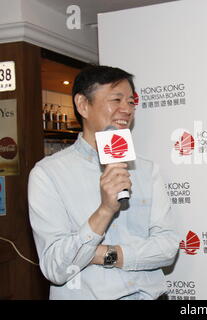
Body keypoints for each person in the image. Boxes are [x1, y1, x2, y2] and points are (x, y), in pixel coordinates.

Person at [28, 65, 179, 299]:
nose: (126, 109)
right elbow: (56, 268)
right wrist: (105, 210)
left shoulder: (147, 169)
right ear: (83, 105)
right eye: (116, 99)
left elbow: (168, 248)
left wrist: (106, 254)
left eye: (130, 101)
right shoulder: (48, 174)